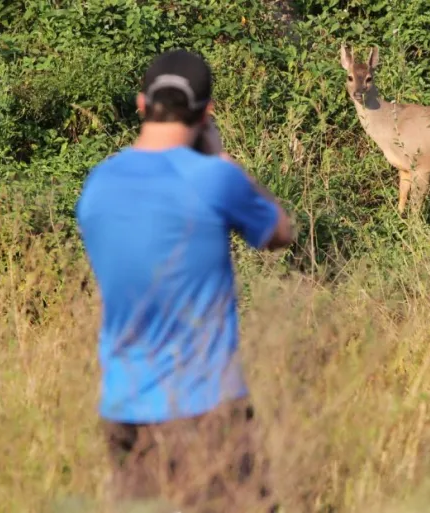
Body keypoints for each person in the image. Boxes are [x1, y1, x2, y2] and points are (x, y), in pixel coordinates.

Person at [75, 49, 292, 513]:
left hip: (124, 408)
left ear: (140, 104)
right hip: (206, 406)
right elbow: (280, 233)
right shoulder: (215, 178)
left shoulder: (97, 184)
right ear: (207, 112)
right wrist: (225, 160)